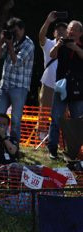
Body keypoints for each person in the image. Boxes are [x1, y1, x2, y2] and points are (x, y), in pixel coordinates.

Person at [0, 17, 35, 143]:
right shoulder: (10, 40)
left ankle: (14, 144)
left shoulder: (29, 45)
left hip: (19, 87)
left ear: (22, 30)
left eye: (15, 31)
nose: (14, 34)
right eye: (11, 31)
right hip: (4, 85)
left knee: (16, 119)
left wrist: (10, 45)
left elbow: (17, 62)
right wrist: (1, 42)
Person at [46, 21, 83, 160]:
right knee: (56, 118)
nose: (71, 32)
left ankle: (73, 152)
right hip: (61, 87)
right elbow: (51, 55)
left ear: (80, 33)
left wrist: (76, 48)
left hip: (77, 89)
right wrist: (58, 45)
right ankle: (52, 149)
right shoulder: (61, 44)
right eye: (70, 29)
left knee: (76, 121)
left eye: (74, 30)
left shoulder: (81, 45)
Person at [37, 12, 68, 141]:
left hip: (65, 85)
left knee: (64, 113)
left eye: (63, 29)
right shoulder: (49, 43)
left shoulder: (71, 46)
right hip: (49, 83)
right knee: (44, 111)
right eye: (58, 29)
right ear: (54, 33)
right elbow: (41, 36)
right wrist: (48, 21)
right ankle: (41, 138)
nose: (60, 31)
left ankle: (61, 140)